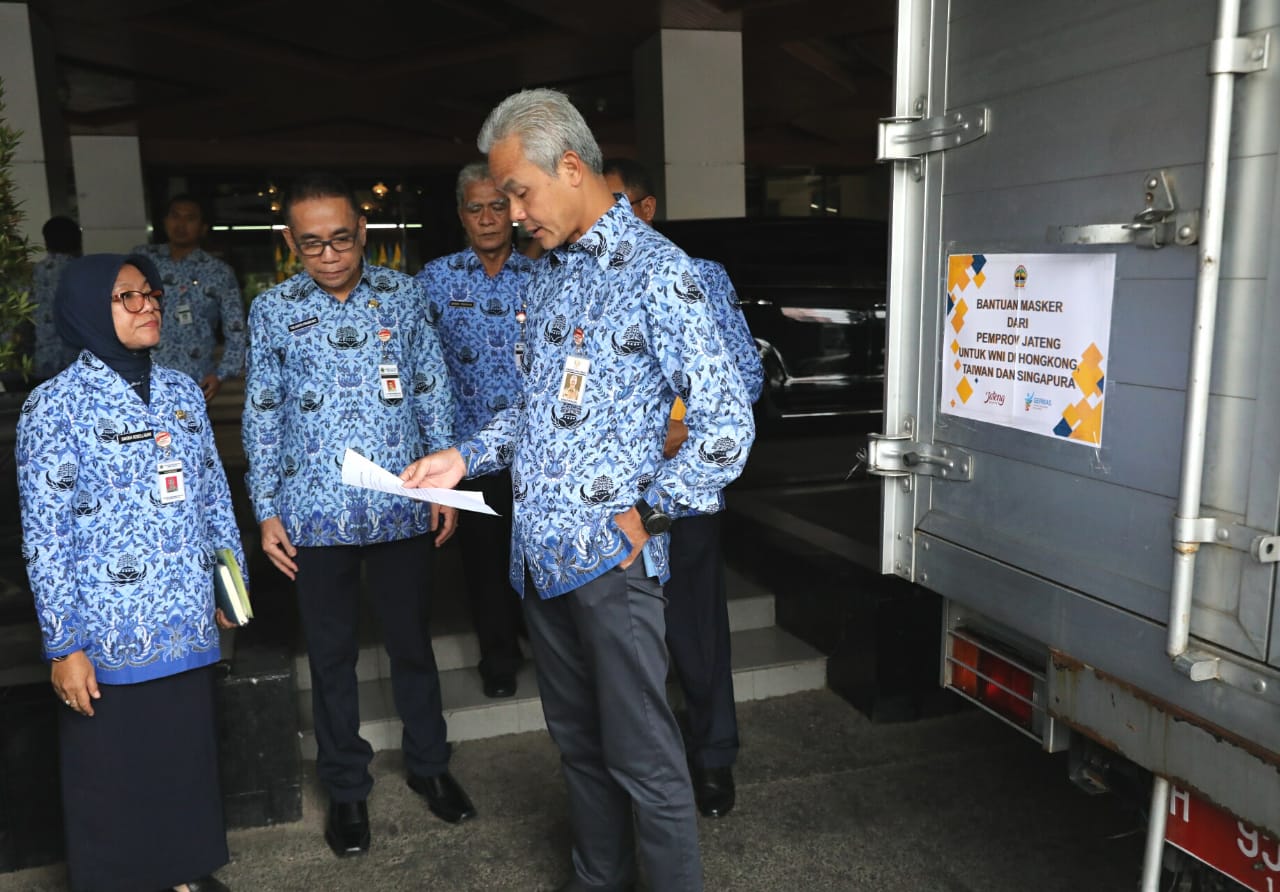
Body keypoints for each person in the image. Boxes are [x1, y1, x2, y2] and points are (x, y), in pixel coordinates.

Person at [402, 88, 756, 892]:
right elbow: (537, 410)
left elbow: (728, 422)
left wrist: (651, 513)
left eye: (519, 192)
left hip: (610, 565)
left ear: (570, 167)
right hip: (540, 560)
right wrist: (463, 455)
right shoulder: (554, 276)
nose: (512, 212)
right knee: (581, 752)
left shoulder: (662, 275)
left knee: (648, 767)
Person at [242, 173, 475, 859]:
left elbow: (432, 388)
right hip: (314, 516)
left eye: (341, 239)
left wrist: (443, 486)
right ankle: (346, 788)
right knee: (332, 656)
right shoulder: (274, 310)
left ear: (363, 233)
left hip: (400, 506)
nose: (330, 255)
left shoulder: (404, 296)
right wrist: (265, 512)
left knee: (411, 645)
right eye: (311, 245)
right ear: (290, 243)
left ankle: (431, 768)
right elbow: (262, 415)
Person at [16, 253, 244, 892]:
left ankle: (184, 872)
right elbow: (45, 536)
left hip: (186, 620)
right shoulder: (53, 408)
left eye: (150, 293)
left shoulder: (180, 391)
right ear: (90, 310)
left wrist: (229, 583)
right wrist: (64, 645)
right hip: (109, 632)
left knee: (183, 756)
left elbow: (213, 495)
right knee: (113, 768)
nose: (148, 306)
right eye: (127, 298)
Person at [602, 157, 764, 818]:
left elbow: (743, 379)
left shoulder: (699, 276)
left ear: (645, 209)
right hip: (609, 497)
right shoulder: (578, 281)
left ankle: (712, 756)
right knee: (624, 639)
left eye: (616, 204)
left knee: (696, 630)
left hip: (685, 487)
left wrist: (678, 427)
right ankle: (643, 769)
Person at [414, 160, 533, 699]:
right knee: (483, 559)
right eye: (475, 208)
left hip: (536, 449)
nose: (487, 218)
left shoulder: (542, 277)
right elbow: (414, 363)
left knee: (530, 550)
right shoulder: (435, 280)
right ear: (461, 217)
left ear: (514, 211)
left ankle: (536, 637)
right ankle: (498, 658)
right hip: (464, 451)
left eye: (497, 206)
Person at [133, 194, 247, 401]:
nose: (181, 224)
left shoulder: (219, 272)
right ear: (165, 221)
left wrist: (221, 374)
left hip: (194, 379)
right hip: (142, 375)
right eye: (175, 216)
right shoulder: (142, 260)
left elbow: (236, 328)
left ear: (203, 227)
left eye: (190, 218)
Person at [30, 215, 82, 379]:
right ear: (77, 240)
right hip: (78, 358)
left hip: (44, 357)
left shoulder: (33, 273)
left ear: (46, 242)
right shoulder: (85, 271)